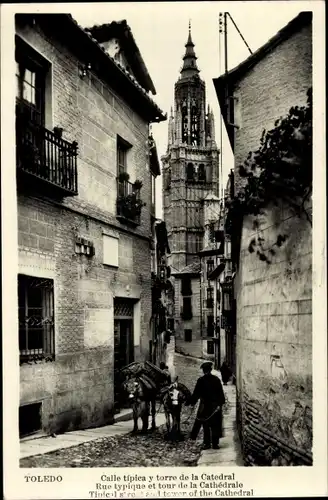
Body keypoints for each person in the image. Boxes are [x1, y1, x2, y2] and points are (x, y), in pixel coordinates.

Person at [186, 361, 225, 449]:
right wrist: (191, 402)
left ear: (208, 370)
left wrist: (190, 402)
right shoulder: (211, 380)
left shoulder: (205, 380)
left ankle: (212, 444)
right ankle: (210, 443)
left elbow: (196, 394)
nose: (206, 372)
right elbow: (196, 394)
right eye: (205, 370)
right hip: (210, 406)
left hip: (208, 406)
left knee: (209, 425)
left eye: (206, 370)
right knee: (208, 425)